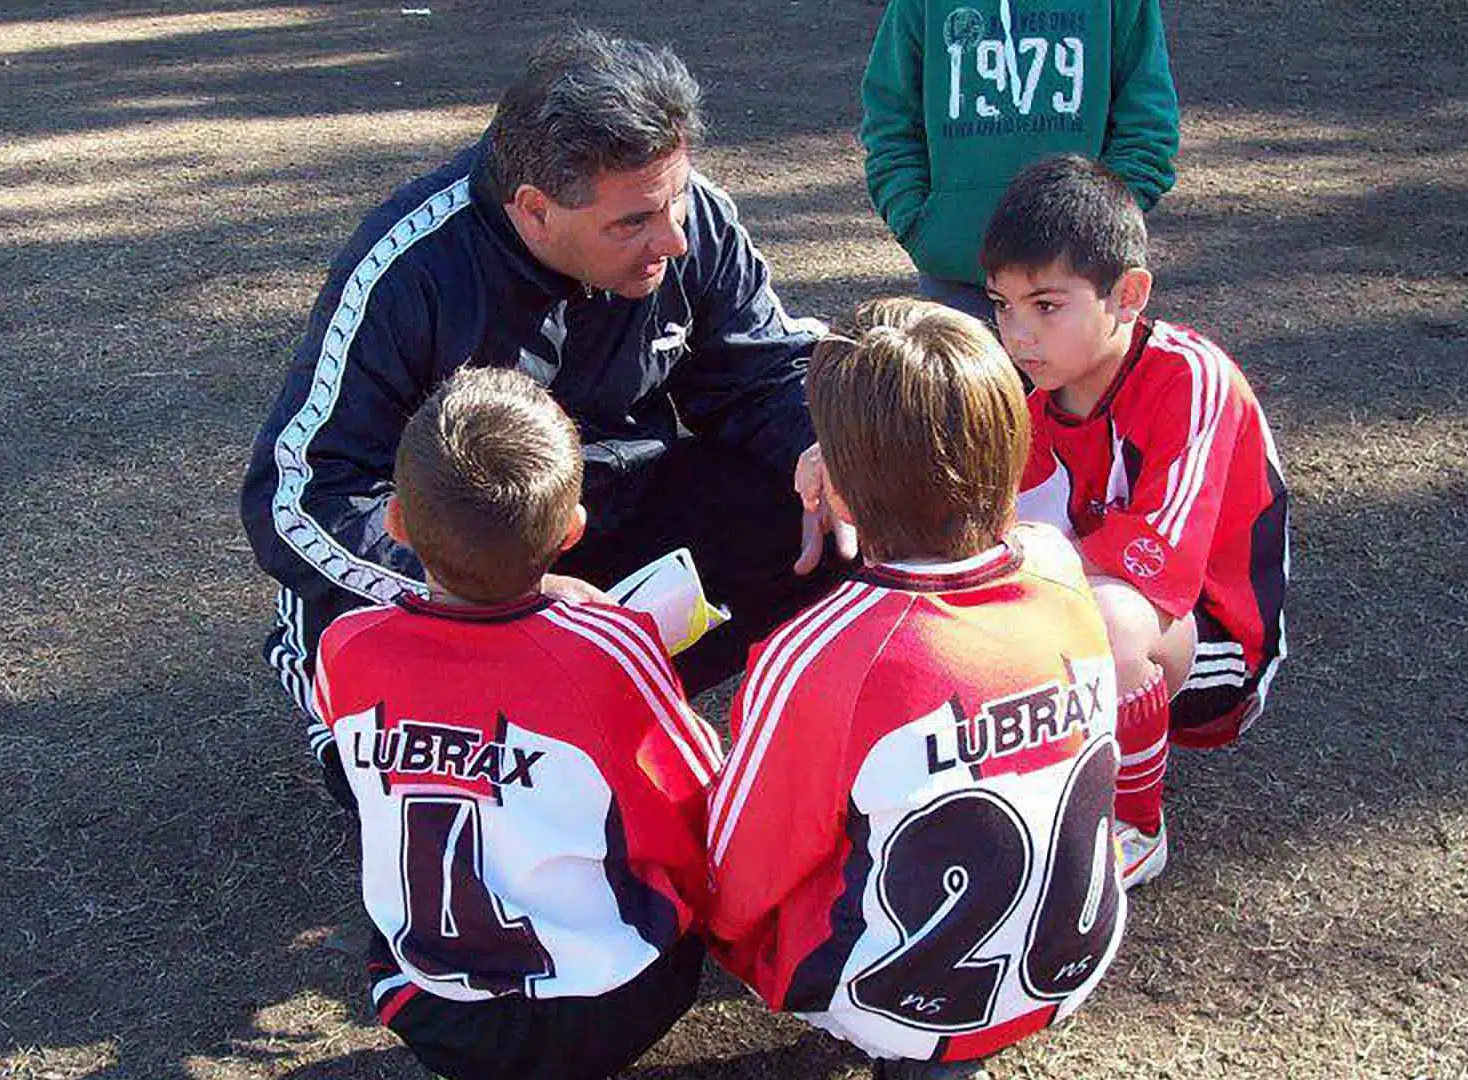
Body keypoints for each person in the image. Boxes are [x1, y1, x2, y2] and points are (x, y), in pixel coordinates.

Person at [240, 28, 848, 806]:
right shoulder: (413, 270)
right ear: (534, 211)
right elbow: (296, 496)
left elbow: (763, 371)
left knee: (832, 506)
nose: (674, 238)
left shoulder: (688, 223)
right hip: (460, 565)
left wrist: (819, 445)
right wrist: (488, 592)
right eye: (632, 223)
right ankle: (398, 714)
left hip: (607, 518)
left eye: (677, 199)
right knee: (455, 819)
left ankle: (607, 696)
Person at [707, 299, 1126, 1080]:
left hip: (898, 995)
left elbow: (741, 870)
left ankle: (903, 1041)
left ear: (841, 489)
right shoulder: (1061, 570)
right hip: (1069, 967)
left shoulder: (821, 652)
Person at [312, 367, 720, 1080]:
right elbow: (697, 793)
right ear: (573, 532)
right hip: (611, 1006)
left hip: (432, 1009)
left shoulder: (346, 645)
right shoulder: (607, 646)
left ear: (397, 524)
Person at [984, 155, 1290, 888]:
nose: (1017, 334)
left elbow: (1154, 569)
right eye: (1001, 306)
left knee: (1112, 620)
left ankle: (1136, 824)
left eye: (1046, 306)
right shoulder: (1031, 409)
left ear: (1128, 295)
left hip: (1216, 646)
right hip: (1109, 609)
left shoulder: (1192, 378)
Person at [860, 0, 1179, 322]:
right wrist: (923, 228)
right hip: (959, 282)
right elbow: (891, 119)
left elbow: (1148, 128)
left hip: (1081, 282)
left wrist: (1103, 229)